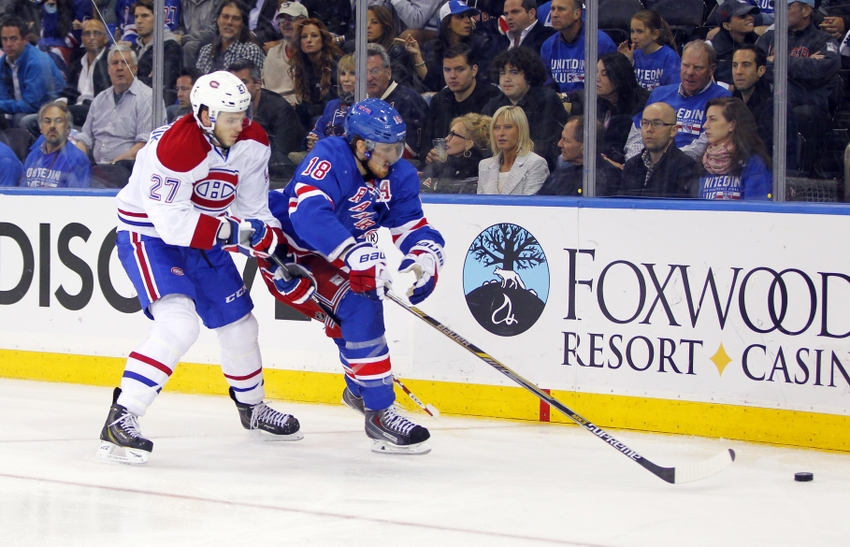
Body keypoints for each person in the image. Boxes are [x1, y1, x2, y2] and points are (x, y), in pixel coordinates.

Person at [98, 71, 302, 465]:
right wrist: (239, 234)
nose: (240, 124)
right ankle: (121, 417)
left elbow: (254, 210)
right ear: (205, 115)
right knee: (178, 324)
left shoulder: (253, 142)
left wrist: (269, 242)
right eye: (230, 117)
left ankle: (253, 408)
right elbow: (173, 223)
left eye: (243, 114)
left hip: (205, 236)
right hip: (151, 236)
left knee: (241, 325)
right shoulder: (174, 148)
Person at [263, 97, 445, 454]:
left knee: (354, 322)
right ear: (361, 145)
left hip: (338, 257)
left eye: (398, 147)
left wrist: (425, 258)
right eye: (386, 149)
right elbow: (308, 214)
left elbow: (413, 227)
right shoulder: (331, 156)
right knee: (361, 308)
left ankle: (360, 390)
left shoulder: (400, 174)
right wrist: (354, 253)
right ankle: (379, 411)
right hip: (292, 255)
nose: (394, 158)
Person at [756, 0, 841, 175]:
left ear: (806, 10)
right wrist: (802, 64)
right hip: (773, 104)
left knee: (798, 114)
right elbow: (755, 69)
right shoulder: (769, 38)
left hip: (810, 109)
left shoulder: (823, 40)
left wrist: (777, 61)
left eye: (787, 6)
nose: (780, 11)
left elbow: (820, 70)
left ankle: (796, 176)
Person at [624, 40, 731, 163]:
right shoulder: (659, 94)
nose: (690, 72)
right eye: (685, 65)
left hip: (689, 170)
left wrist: (662, 162)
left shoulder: (722, 99)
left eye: (698, 68)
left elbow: (704, 146)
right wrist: (639, 163)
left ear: (711, 69)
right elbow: (637, 135)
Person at [75, 45, 165, 184]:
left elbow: (144, 146)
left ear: (135, 69)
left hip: (129, 171)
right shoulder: (100, 99)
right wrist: (75, 159)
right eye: (115, 63)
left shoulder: (149, 98)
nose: (120, 67)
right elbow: (85, 138)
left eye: (125, 63)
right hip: (96, 170)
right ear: (108, 69)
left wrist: (112, 164)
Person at [482, 47, 569, 170]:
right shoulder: (494, 104)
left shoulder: (546, 99)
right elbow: (485, 145)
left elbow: (544, 147)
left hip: (539, 168)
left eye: (514, 72)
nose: (506, 79)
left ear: (529, 75)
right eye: (502, 73)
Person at [228, 59, 305, 182]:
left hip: (281, 173)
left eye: (243, 83)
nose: (238, 90)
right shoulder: (227, 108)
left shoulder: (279, 108)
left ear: (258, 83)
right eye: (233, 84)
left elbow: (281, 154)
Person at [420, 43, 501, 161]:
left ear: (474, 70)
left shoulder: (492, 98)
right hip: (440, 170)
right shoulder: (440, 99)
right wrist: (430, 155)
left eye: (459, 69)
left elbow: (489, 147)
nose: (452, 76)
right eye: (447, 70)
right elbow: (425, 144)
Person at [564, 52, 650, 162]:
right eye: (596, 72)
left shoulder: (643, 104)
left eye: (604, 74)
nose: (597, 78)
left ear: (619, 77)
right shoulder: (596, 103)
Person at [731, 44, 799, 171]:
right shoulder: (731, 102)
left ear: (760, 71)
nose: (738, 71)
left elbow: (764, 152)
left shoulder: (776, 108)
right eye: (735, 65)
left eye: (746, 65)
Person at [615, 102, 699, 198]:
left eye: (657, 124)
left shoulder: (687, 166)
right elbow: (622, 206)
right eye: (645, 123)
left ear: (674, 130)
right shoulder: (632, 165)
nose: (649, 129)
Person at [698, 97, 772, 200]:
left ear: (732, 125)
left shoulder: (753, 163)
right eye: (706, 119)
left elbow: (757, 209)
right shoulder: (707, 162)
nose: (705, 125)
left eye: (713, 119)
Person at [0, 15, 66, 129]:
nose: (8, 44)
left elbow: (30, 105)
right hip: (24, 108)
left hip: (52, 110)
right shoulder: (3, 61)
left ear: (25, 40)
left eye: (13, 39)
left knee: (19, 119)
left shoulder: (38, 62)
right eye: (4, 39)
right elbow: (3, 96)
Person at [365, 43, 429, 160]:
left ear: (388, 73)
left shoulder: (409, 100)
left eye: (375, 71)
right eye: (364, 71)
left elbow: (409, 152)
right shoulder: (358, 99)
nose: (369, 78)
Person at [539, 0, 617, 93]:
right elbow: (546, 84)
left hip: (593, 104)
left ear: (577, 14)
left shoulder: (601, 43)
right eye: (553, 9)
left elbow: (607, 87)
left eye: (561, 9)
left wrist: (568, 98)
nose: (554, 14)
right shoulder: (548, 46)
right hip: (559, 105)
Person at [415, 0, 493, 92]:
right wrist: (416, 54)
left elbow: (484, 83)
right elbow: (432, 84)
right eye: (461, 17)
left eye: (468, 16)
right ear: (447, 23)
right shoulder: (435, 48)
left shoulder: (481, 44)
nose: (468, 21)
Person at [537, 115, 621, 196]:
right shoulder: (559, 176)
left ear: (584, 147)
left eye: (565, 140)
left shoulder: (607, 178)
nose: (559, 144)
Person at [343, 6, 422, 92]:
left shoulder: (396, 51)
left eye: (374, 22)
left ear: (385, 26)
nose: (368, 26)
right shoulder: (352, 47)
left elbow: (395, 83)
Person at [478, 105, 549, 195]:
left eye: (508, 127)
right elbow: (480, 205)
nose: (501, 133)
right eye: (497, 127)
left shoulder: (535, 163)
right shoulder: (485, 165)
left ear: (521, 130)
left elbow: (531, 205)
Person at [19, 101, 91, 188]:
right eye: (47, 121)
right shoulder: (32, 156)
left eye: (58, 121)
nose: (52, 126)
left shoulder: (78, 159)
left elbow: (77, 199)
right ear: (41, 128)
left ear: (68, 129)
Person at [289, 17, 343, 129]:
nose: (309, 40)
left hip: (336, 117)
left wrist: (307, 110)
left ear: (323, 40)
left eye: (314, 35)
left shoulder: (336, 64)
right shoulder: (303, 66)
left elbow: (334, 103)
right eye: (304, 37)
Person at [420, 112, 491, 193]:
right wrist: (430, 168)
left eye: (453, 134)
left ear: (469, 144)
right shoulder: (446, 164)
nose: (446, 138)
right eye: (449, 133)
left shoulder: (476, 169)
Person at [58, 18, 110, 127]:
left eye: (96, 33)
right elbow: (69, 90)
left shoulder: (111, 61)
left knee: (59, 118)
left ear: (106, 38)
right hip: (74, 110)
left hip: (97, 111)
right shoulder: (77, 60)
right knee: (31, 120)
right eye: (87, 34)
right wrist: (61, 103)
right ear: (82, 38)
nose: (91, 38)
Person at [133, 0, 183, 106]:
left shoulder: (170, 48)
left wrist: (133, 78)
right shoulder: (134, 49)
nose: (139, 21)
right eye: (136, 16)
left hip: (156, 107)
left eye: (145, 16)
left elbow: (164, 85)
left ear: (158, 18)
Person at [196, 1, 266, 75]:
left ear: (242, 24)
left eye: (236, 18)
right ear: (217, 20)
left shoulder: (251, 51)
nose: (229, 22)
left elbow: (250, 85)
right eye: (225, 17)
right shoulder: (206, 51)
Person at [618, 9, 680, 91]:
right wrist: (626, 62)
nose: (634, 37)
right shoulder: (634, 54)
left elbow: (673, 90)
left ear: (655, 34)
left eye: (640, 31)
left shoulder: (669, 57)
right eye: (632, 31)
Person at [306, 53, 355, 150]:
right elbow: (318, 129)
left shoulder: (363, 107)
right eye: (343, 74)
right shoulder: (332, 105)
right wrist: (312, 140)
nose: (346, 79)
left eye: (352, 73)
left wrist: (322, 143)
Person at [262, 2, 308, 105]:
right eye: (282, 19)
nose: (286, 23)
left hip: (296, 109)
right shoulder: (272, 53)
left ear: (305, 22)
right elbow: (263, 85)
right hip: (270, 107)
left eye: (291, 18)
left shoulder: (309, 53)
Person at [709, 0, 761, 87]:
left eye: (750, 14)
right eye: (742, 16)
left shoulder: (758, 41)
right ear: (727, 25)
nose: (750, 18)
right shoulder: (712, 50)